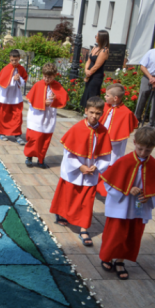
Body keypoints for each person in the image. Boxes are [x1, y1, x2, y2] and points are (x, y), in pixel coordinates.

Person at [49, 97, 111, 248]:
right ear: (85, 111)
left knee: (87, 201)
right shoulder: (77, 128)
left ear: (102, 113)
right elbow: (69, 153)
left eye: (98, 113)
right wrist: (80, 166)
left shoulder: (103, 131)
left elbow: (106, 155)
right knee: (68, 196)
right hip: (75, 171)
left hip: (91, 172)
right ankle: (62, 213)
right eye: (91, 112)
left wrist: (97, 166)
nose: (94, 116)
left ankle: (84, 229)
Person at [98, 126, 155, 281]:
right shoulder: (123, 161)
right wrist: (127, 189)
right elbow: (108, 183)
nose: (143, 153)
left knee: (131, 236)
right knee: (115, 234)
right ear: (134, 142)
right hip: (121, 207)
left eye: (148, 151)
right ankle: (107, 257)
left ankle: (120, 261)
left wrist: (149, 197)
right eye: (140, 149)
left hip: (139, 209)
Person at [24, 63, 68, 169]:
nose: (47, 79)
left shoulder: (57, 86)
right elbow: (30, 101)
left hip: (48, 118)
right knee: (34, 138)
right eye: (45, 77)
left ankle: (41, 159)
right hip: (36, 117)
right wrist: (43, 102)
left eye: (50, 77)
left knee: (45, 139)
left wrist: (55, 98)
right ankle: (29, 156)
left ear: (54, 76)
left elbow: (63, 99)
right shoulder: (38, 85)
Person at [0, 49, 28, 144]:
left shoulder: (21, 69)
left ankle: (17, 135)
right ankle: (2, 133)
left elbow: (24, 80)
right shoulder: (6, 69)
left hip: (16, 96)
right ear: (10, 59)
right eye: (12, 60)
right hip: (5, 96)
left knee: (17, 116)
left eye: (16, 60)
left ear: (19, 59)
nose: (14, 62)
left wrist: (19, 79)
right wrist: (13, 79)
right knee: (3, 115)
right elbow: (2, 82)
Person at [100, 84, 139, 164]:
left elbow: (124, 130)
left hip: (115, 144)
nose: (105, 97)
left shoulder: (126, 113)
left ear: (115, 98)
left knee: (113, 159)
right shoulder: (105, 106)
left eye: (107, 95)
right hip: (102, 138)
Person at [81, 30, 110, 108]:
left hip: (96, 76)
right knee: (86, 92)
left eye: (97, 36)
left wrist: (89, 74)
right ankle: (86, 111)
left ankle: (93, 110)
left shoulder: (104, 50)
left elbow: (97, 65)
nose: (95, 37)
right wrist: (86, 70)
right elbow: (89, 60)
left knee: (92, 94)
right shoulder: (95, 48)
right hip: (89, 74)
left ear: (101, 38)